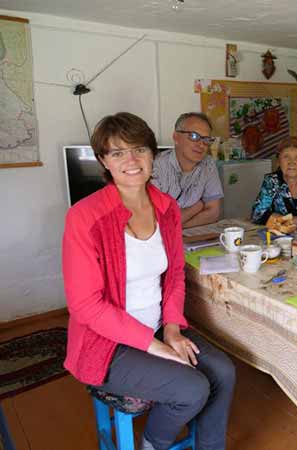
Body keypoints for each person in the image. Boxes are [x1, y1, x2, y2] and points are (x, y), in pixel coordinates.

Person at [62, 112, 236, 450]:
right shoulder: (84, 217)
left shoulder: (166, 207)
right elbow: (85, 305)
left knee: (224, 372)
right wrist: (154, 345)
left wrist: (171, 329)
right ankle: (153, 444)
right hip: (108, 343)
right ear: (104, 161)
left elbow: (173, 276)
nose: (131, 160)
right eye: (117, 153)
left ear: (153, 155)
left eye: (139, 149)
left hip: (158, 326)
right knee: (192, 388)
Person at [152, 112, 223, 228]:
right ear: (176, 137)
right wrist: (197, 207)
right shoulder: (155, 167)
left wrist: (176, 226)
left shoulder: (208, 164)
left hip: (190, 237)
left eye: (206, 139)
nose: (201, 145)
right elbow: (155, 223)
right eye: (194, 136)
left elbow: (213, 213)